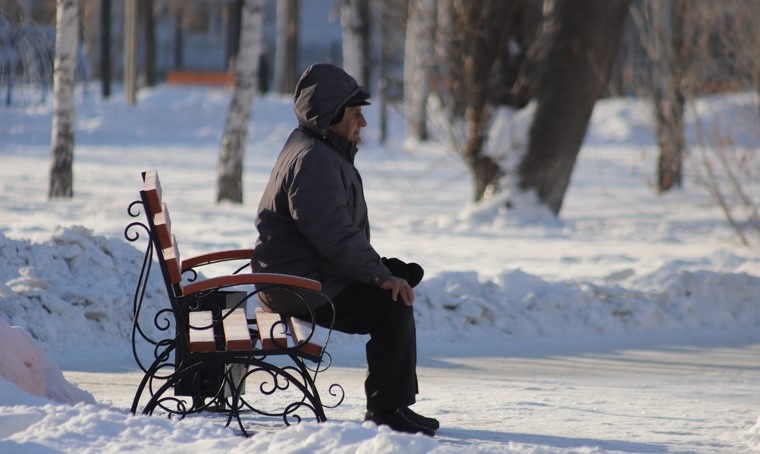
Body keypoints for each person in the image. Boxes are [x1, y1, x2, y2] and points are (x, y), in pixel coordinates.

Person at [252, 63, 439, 436]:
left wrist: (382, 269)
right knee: (392, 304)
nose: (363, 124)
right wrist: (380, 275)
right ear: (330, 117)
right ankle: (387, 409)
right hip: (297, 287)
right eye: (355, 115)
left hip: (301, 274)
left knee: (396, 282)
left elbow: (332, 235)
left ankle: (392, 403)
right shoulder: (314, 160)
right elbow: (334, 234)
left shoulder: (317, 149)